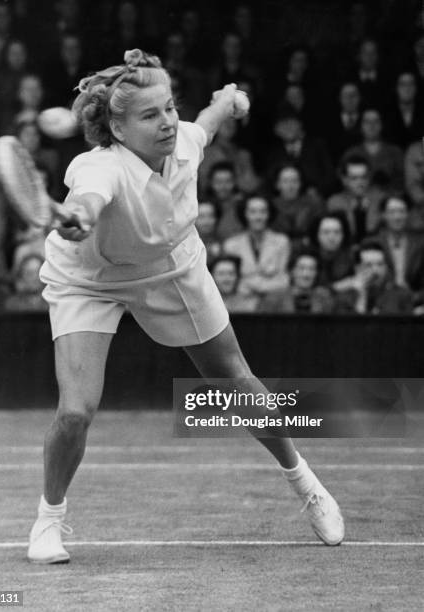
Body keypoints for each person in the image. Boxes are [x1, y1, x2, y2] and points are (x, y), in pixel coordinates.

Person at [27, 49, 344, 565]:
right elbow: (88, 197)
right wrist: (80, 214)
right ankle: (48, 521)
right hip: (89, 279)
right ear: (119, 129)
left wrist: (226, 100)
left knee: (237, 380)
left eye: (170, 108)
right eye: (150, 115)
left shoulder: (186, 141)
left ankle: (307, 484)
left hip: (171, 266)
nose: (168, 122)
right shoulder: (98, 166)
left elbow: (208, 123)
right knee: (75, 411)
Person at [223, 194, 290, 299]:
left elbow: (283, 280)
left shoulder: (282, 242)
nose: (258, 217)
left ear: (269, 214)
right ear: (244, 214)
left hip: (274, 301)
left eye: (263, 212)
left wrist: (251, 283)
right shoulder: (231, 245)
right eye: (252, 212)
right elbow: (232, 281)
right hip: (241, 301)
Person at [335, 241, 413, 314]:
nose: (376, 270)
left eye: (380, 264)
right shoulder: (345, 297)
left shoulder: (402, 295)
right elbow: (350, 327)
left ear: (386, 266)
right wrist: (362, 296)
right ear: (357, 268)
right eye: (368, 265)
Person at [257, 249, 334, 314]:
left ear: (317, 273)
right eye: (301, 268)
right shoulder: (273, 299)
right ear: (292, 271)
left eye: (311, 269)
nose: (306, 274)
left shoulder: (324, 298)